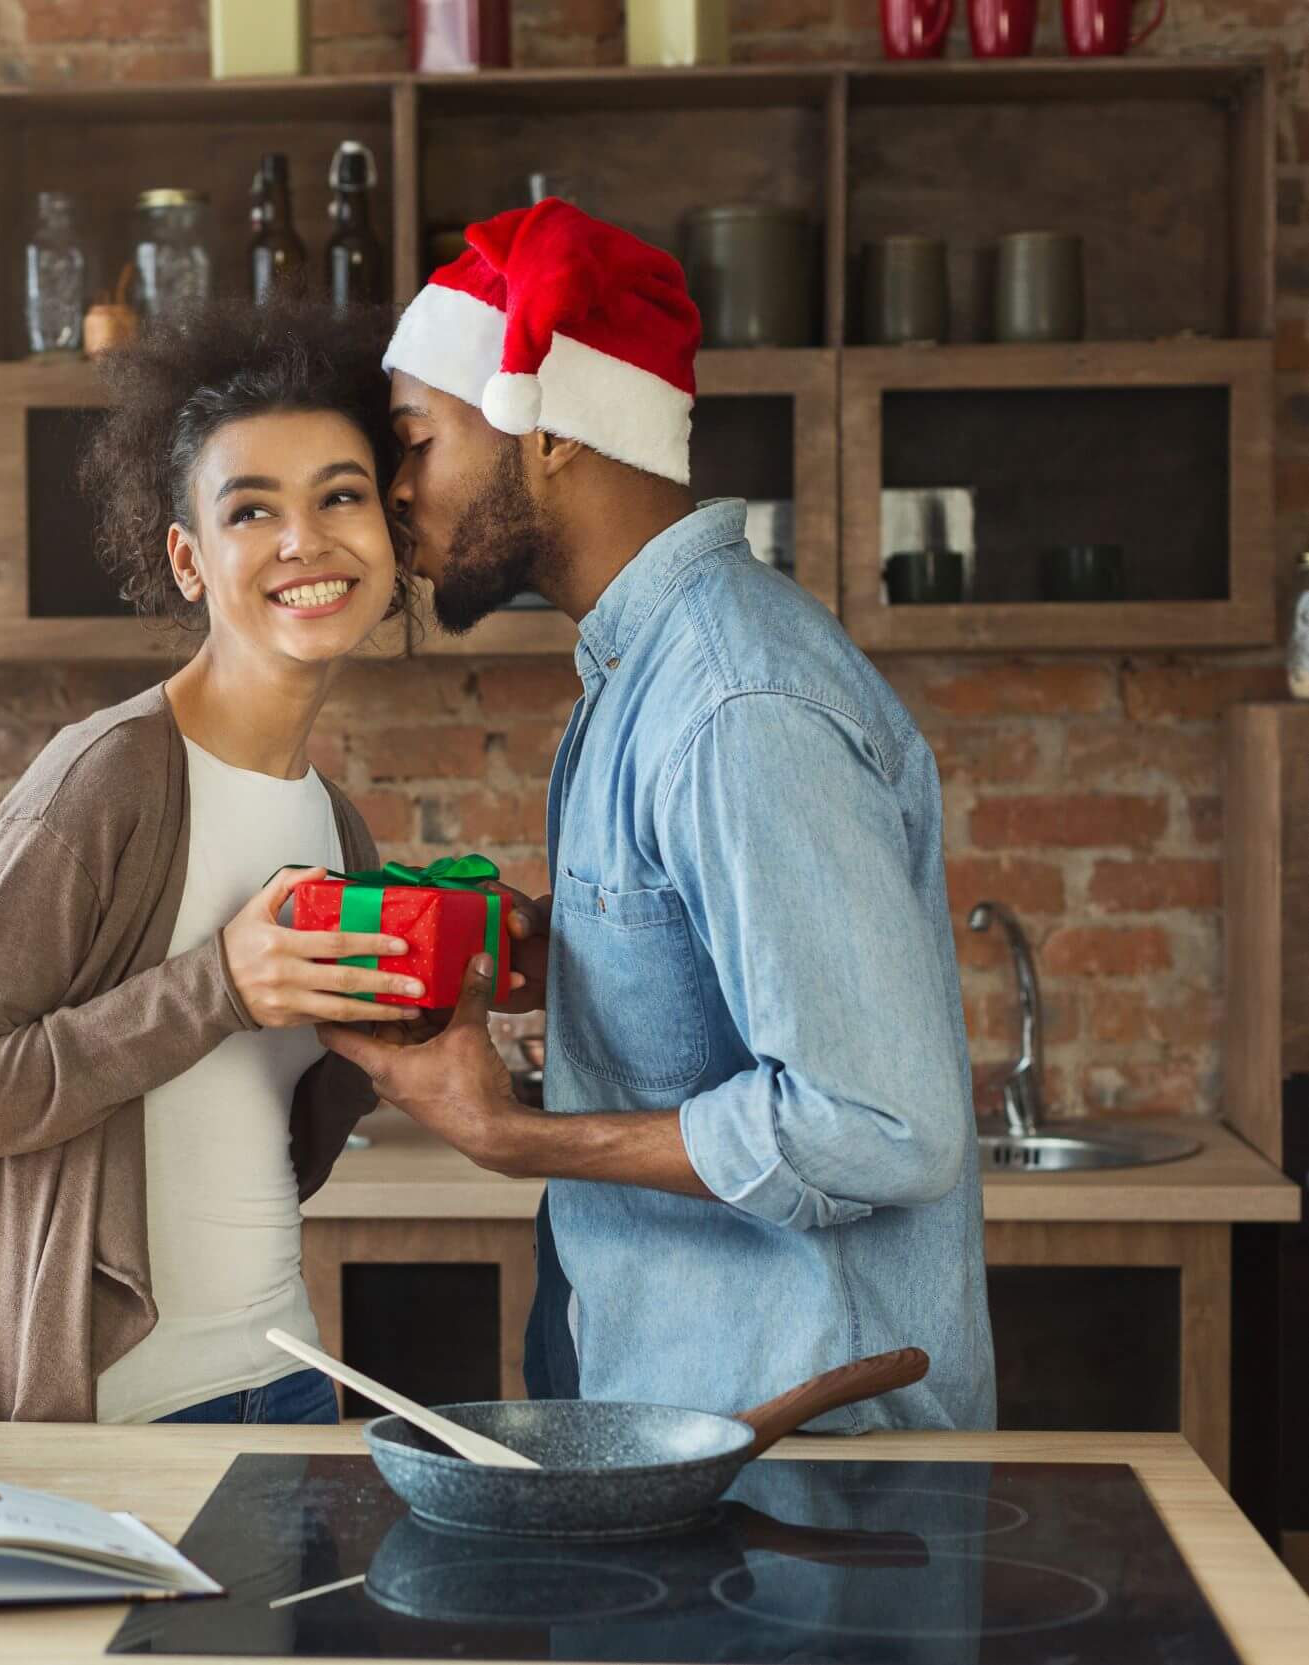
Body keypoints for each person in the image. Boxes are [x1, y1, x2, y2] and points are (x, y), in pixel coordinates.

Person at [321, 200, 995, 1430]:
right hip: (688, 1411)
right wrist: (566, 954)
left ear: (553, 435)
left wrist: (512, 1136)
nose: (395, 492)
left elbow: (878, 1128)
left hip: (801, 1458)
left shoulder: (733, 701)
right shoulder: (642, 673)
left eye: (416, 441)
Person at [0, 300, 455, 1423]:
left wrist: (411, 1026)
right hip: (111, 1412)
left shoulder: (334, 825)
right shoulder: (108, 781)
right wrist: (215, 988)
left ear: (391, 533)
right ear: (188, 560)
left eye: (340, 496)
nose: (303, 541)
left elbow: (260, 1140)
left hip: (282, 1379)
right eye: (250, 510)